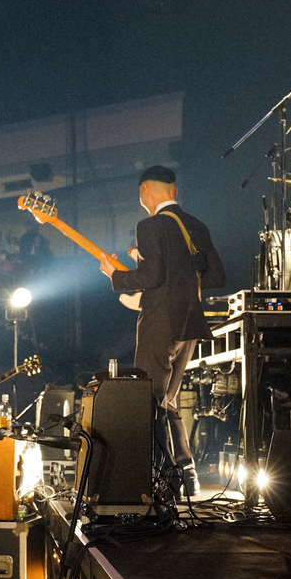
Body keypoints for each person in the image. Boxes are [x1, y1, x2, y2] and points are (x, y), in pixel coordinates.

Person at [98, 165, 225, 498]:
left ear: (145, 194)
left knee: (149, 401)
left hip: (159, 322)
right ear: (175, 192)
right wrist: (152, 260)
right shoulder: (196, 225)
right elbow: (214, 277)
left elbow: (151, 278)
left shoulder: (149, 225)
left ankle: (161, 482)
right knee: (168, 402)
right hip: (190, 323)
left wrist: (116, 274)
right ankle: (187, 477)